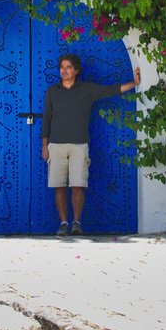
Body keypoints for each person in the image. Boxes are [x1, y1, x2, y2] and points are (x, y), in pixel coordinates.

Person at [41, 53, 140, 236]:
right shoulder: (52, 91)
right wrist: (45, 145)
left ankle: (77, 223)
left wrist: (133, 84)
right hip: (56, 145)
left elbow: (111, 90)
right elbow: (46, 119)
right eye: (62, 67)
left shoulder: (86, 90)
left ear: (76, 70)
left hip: (79, 144)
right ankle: (63, 223)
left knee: (78, 185)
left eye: (68, 67)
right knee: (59, 186)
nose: (64, 70)